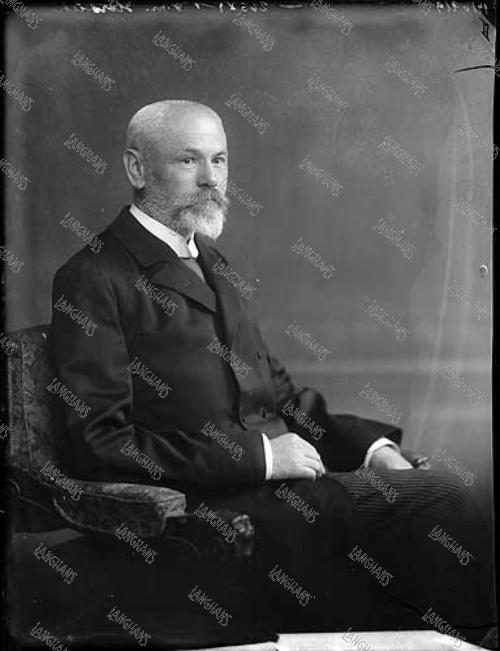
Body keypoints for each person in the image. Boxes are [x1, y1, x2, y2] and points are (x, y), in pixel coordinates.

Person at [50, 100, 477, 634]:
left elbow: (279, 396)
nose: (210, 178)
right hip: (214, 509)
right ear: (137, 169)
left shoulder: (212, 262)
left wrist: (372, 450)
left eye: (219, 160)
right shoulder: (94, 277)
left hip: (286, 492)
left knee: (441, 497)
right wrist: (261, 458)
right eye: (188, 160)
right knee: (447, 503)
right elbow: (100, 441)